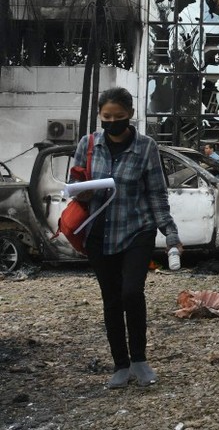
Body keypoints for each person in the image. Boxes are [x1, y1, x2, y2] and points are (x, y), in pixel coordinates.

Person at [71, 87, 181, 389]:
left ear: (130, 115)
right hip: (99, 234)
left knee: (132, 293)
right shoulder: (88, 144)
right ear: (100, 116)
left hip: (136, 229)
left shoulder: (146, 147)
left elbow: (157, 193)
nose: (112, 122)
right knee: (112, 299)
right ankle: (120, 365)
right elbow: (74, 184)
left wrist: (170, 232)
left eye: (118, 117)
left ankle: (140, 360)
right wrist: (84, 191)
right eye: (106, 117)